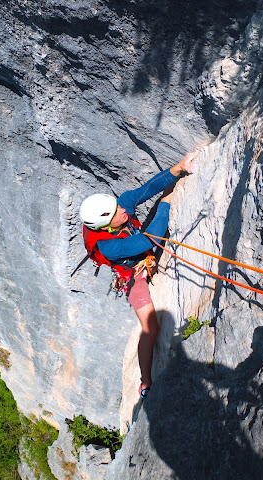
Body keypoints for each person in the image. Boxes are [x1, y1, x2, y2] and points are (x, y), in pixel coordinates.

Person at [79, 150, 199, 399]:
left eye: (118, 206)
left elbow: (148, 188)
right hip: (132, 274)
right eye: (116, 213)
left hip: (142, 259)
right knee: (150, 328)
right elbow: (148, 241)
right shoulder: (108, 246)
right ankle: (145, 381)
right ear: (104, 226)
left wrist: (179, 168)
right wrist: (166, 203)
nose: (123, 209)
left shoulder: (119, 207)